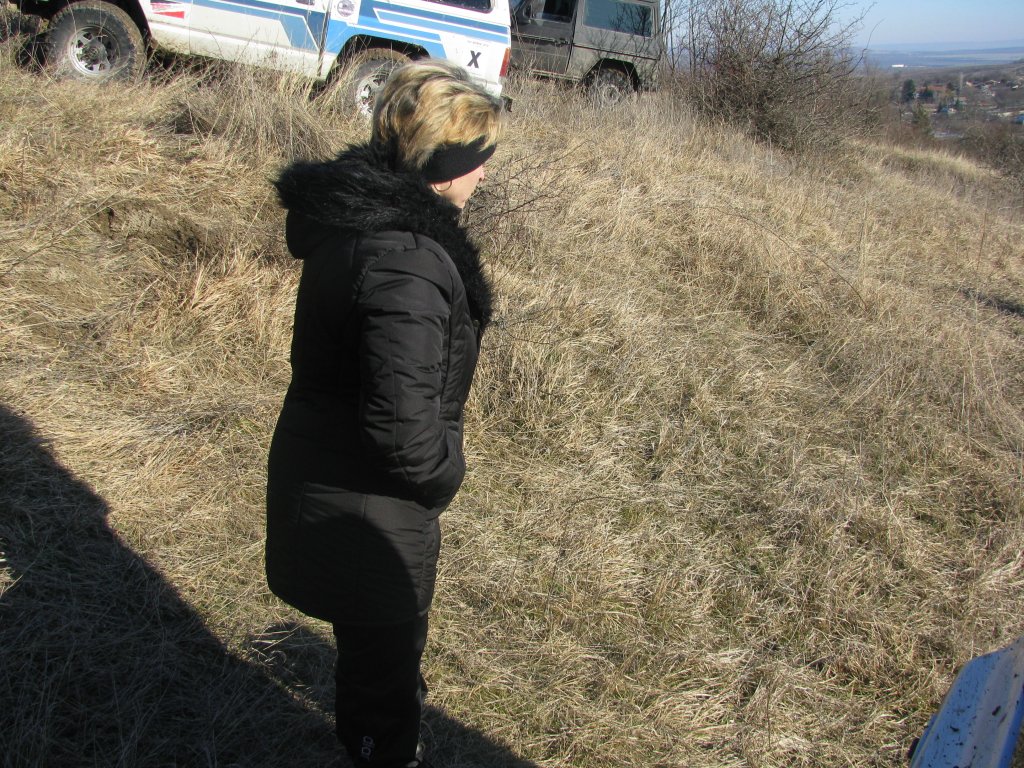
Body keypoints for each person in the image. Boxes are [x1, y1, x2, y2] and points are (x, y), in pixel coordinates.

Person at [264, 60, 504, 768]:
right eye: (477, 157)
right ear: (443, 165)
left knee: (372, 653)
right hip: (371, 503)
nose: (483, 172)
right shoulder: (408, 261)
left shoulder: (363, 222)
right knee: (382, 676)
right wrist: (444, 475)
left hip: (334, 478)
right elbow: (403, 434)